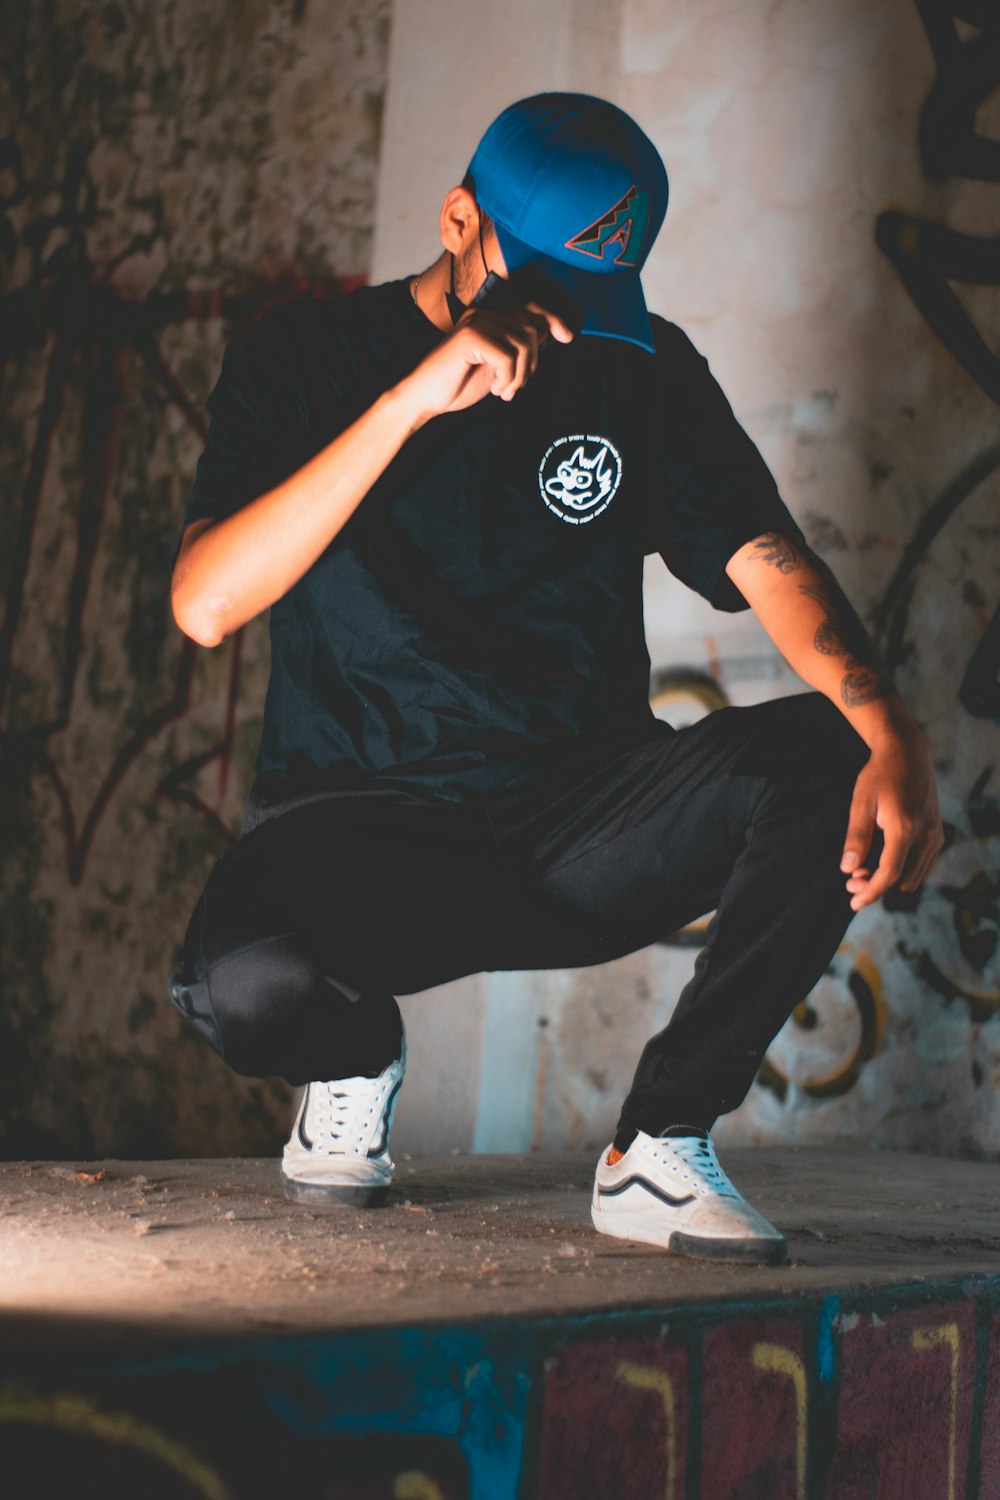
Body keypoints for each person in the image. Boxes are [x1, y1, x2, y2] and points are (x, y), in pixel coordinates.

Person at [166, 92, 943, 1264]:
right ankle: (351, 1057)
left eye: (592, 293)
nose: (564, 323)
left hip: (578, 824)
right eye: (539, 281)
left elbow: (766, 556)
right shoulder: (306, 358)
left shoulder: (643, 372)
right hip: (369, 833)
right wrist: (413, 399)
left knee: (830, 754)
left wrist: (891, 730)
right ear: (457, 218)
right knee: (236, 981)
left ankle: (659, 1147)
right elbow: (207, 603)